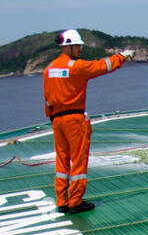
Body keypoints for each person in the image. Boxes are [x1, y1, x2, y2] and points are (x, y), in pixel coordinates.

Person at [43, 30, 132, 213]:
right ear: (68, 46)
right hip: (74, 120)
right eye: (78, 46)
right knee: (78, 161)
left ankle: (62, 201)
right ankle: (75, 201)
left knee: (61, 161)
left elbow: (47, 97)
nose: (81, 50)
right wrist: (121, 56)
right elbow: (102, 66)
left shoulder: (49, 69)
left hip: (57, 120)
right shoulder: (75, 67)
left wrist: (52, 117)